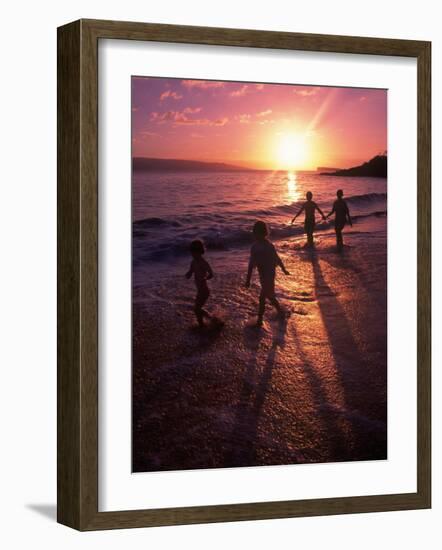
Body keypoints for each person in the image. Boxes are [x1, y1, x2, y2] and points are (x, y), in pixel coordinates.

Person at [245, 221, 290, 327]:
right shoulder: (254, 247)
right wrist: (248, 279)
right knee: (270, 296)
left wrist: (284, 269)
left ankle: (260, 320)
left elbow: (277, 258)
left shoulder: (269, 245)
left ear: (264, 233)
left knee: (262, 297)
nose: (256, 235)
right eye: (255, 232)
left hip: (270, 274)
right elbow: (251, 264)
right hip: (262, 275)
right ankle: (280, 311)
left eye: (258, 233)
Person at [185, 239, 214, 327]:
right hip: (199, 290)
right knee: (197, 309)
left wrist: (206, 277)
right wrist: (188, 274)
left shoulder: (203, 262)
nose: (192, 254)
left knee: (197, 309)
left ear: (200, 251)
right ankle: (204, 322)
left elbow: (211, 273)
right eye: (191, 252)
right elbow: (191, 271)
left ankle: (210, 320)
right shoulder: (193, 262)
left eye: (194, 252)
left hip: (204, 291)